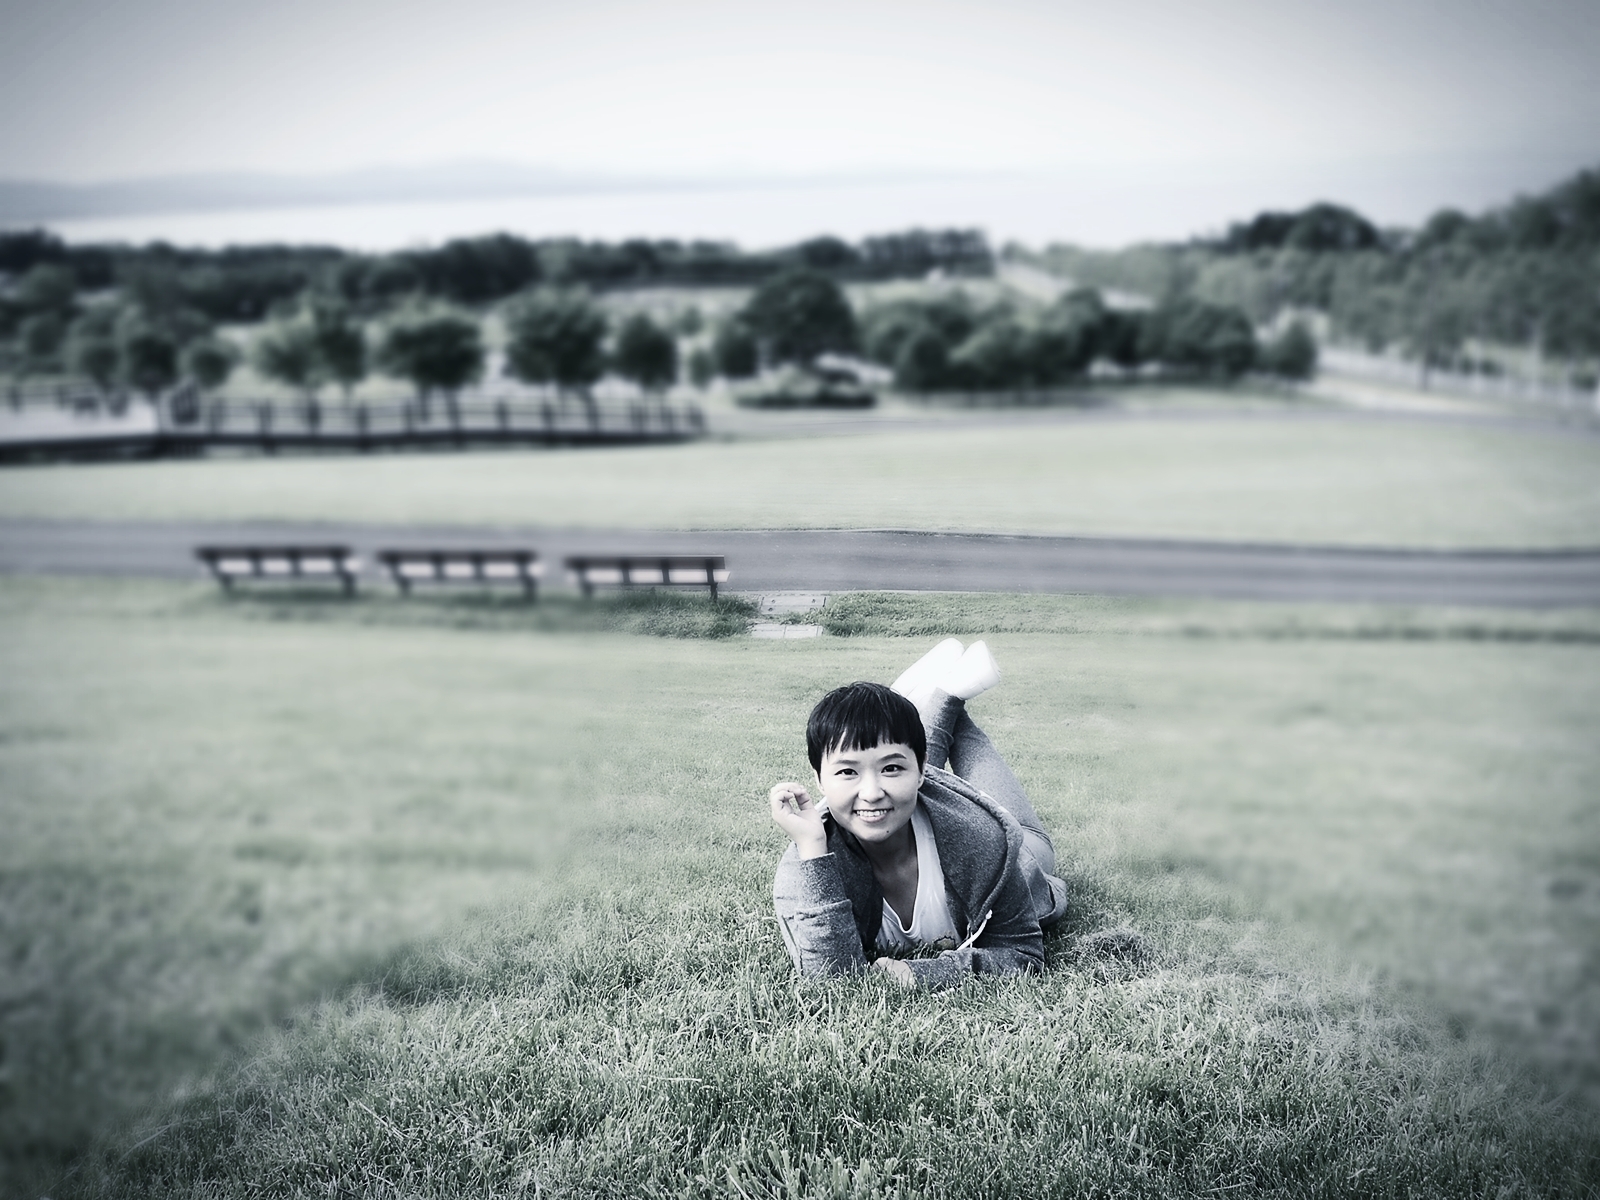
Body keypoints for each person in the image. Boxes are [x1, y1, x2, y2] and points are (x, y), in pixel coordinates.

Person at [769, 639, 1068, 989]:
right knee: (893, 774)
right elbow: (833, 983)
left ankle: (947, 698)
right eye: (847, 772)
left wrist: (922, 974)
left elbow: (1022, 954)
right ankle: (926, 705)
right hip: (917, 797)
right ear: (819, 779)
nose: (870, 792)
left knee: (1020, 833)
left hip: (1027, 852)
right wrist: (813, 851)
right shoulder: (801, 869)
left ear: (922, 771)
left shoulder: (985, 841)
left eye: (892, 768)